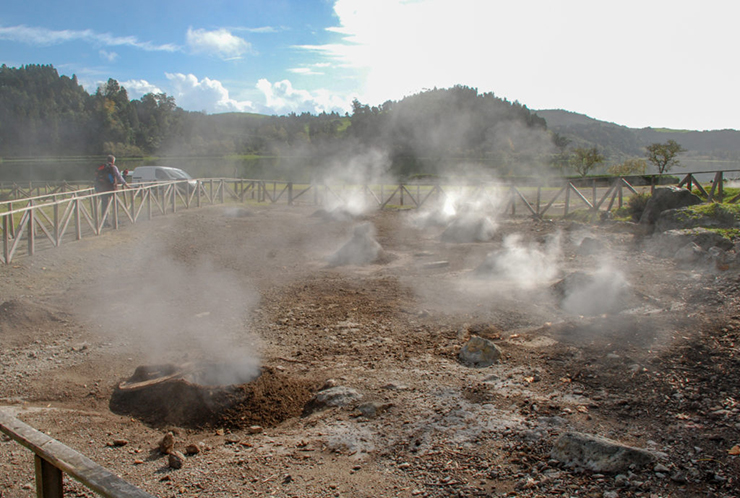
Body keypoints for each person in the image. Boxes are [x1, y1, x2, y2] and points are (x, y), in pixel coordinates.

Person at [94, 155, 129, 227]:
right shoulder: (113, 167)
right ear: (113, 161)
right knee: (115, 205)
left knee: (104, 205)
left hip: (103, 188)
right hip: (112, 189)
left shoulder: (102, 167)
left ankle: (105, 221)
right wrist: (126, 184)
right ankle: (115, 220)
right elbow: (119, 177)